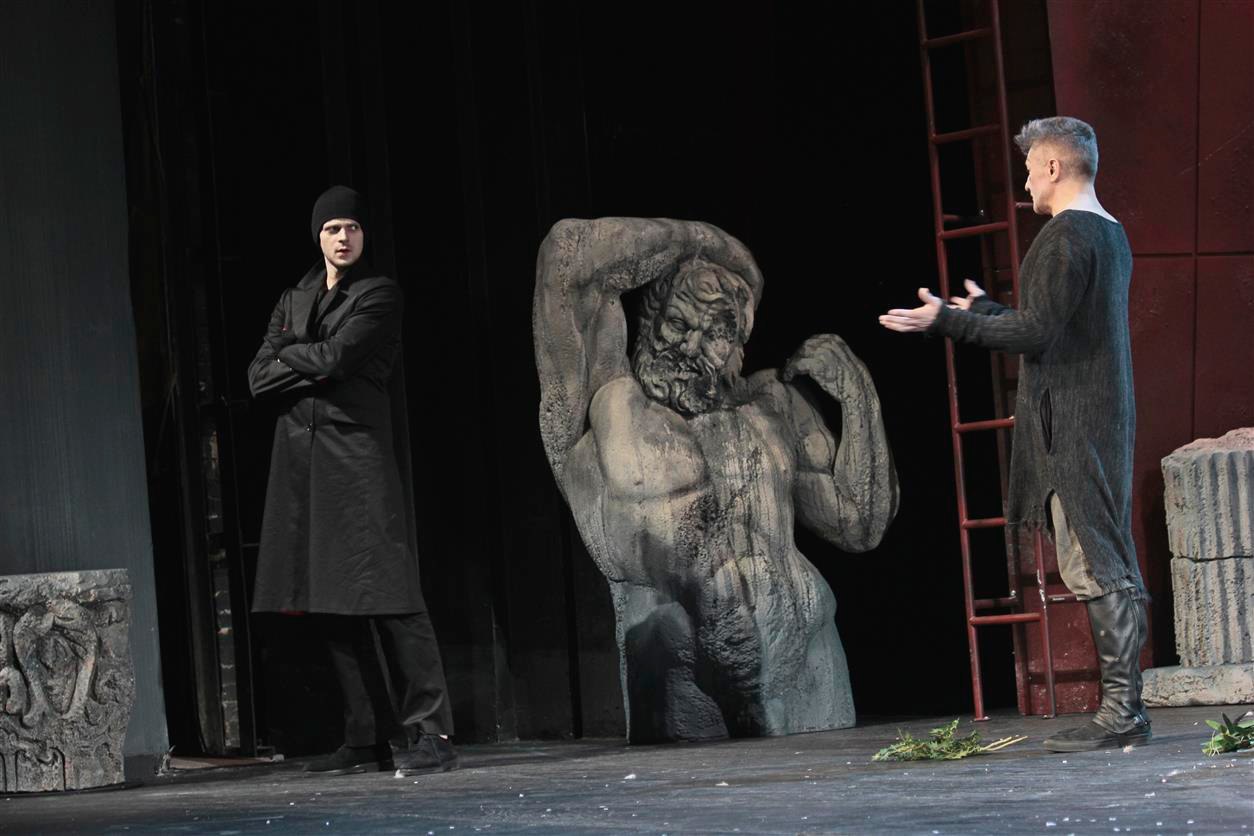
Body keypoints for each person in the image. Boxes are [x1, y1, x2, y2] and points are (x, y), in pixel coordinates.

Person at [534, 218, 898, 741]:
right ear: (650, 321)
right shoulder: (608, 405)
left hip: (810, 668)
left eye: (716, 333)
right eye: (677, 323)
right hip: (683, 681)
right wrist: (707, 246)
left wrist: (860, 399)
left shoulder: (770, 406)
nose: (689, 345)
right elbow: (568, 255)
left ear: (738, 344)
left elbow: (859, 524)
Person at [879, 117, 1151, 752]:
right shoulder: (1109, 233)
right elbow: (1053, 326)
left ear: (1053, 167)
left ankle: (1123, 712)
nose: (1026, 183)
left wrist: (950, 322)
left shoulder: (1066, 236)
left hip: (1075, 423)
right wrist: (988, 312)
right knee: (1101, 556)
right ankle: (1124, 710)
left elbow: (1036, 334)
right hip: (1099, 416)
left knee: (1095, 562)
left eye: (1030, 170)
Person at [247, 185, 458, 775]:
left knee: (391, 594)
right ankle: (365, 736)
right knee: (327, 599)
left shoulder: (379, 294)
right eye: (332, 228)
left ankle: (433, 734)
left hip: (356, 457)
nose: (343, 237)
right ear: (318, 236)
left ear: (365, 235)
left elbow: (339, 358)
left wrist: (293, 351)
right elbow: (258, 378)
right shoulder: (295, 296)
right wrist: (306, 356)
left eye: (352, 228)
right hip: (301, 460)